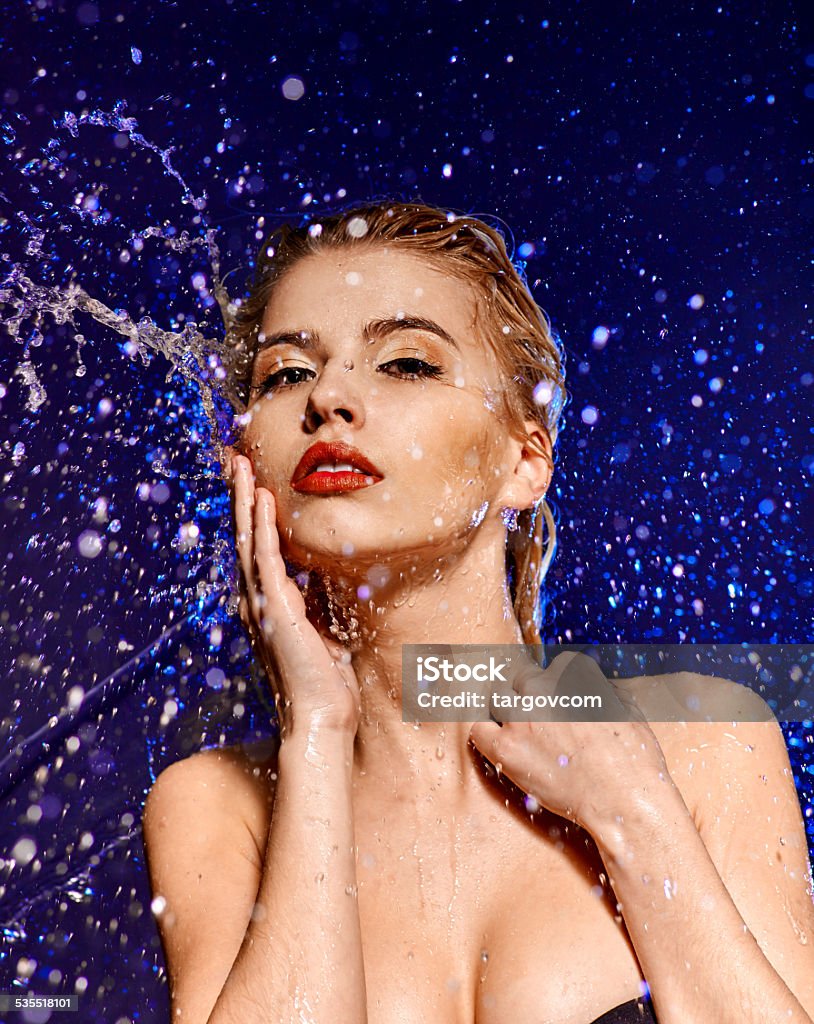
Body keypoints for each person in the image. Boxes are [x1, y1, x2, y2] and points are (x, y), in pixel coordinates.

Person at [141, 200, 814, 1024]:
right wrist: (316, 729)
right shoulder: (214, 807)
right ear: (247, 462)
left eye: (407, 363)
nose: (330, 397)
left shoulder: (704, 742)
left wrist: (634, 811)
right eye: (286, 374)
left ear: (525, 461)